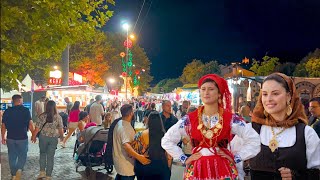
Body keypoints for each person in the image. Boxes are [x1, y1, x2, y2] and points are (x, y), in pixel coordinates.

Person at [161, 74, 261, 179]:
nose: (206, 92)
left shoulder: (230, 119)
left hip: (222, 168)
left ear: (219, 94)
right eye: (203, 89)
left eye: (211, 89)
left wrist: (236, 157)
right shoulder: (190, 119)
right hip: (197, 170)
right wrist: (184, 158)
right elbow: (167, 140)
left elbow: (254, 140)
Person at [249, 73, 320, 179]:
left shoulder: (306, 133)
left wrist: (296, 176)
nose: (268, 99)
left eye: (275, 93)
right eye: (264, 94)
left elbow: (317, 173)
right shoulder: (251, 130)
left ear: (288, 96)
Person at [1, 94, 35, 180]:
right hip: (22, 138)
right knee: (22, 155)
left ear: (13, 101)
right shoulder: (26, 110)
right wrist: (33, 135)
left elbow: (3, 126)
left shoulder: (7, 111)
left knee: (12, 156)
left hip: (10, 137)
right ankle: (19, 169)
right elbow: (30, 124)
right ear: (20, 101)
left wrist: (2, 137)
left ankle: (13, 175)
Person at [113, 104, 150, 180]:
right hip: (127, 167)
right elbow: (126, 146)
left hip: (120, 164)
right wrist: (140, 157)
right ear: (130, 113)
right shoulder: (126, 128)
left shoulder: (119, 123)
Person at [132, 111, 171, 180]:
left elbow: (135, 152)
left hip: (144, 167)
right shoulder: (165, 136)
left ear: (148, 121)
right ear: (160, 122)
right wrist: (168, 168)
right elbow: (169, 156)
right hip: (161, 167)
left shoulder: (140, 135)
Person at [31, 100, 64, 180]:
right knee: (50, 157)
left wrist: (34, 136)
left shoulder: (42, 116)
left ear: (46, 106)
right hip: (53, 138)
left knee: (42, 154)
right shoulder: (58, 117)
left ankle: (42, 172)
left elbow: (37, 128)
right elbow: (60, 129)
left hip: (43, 137)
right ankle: (48, 176)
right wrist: (62, 137)